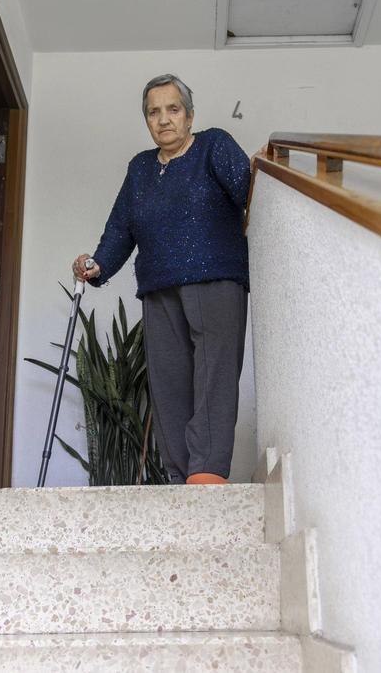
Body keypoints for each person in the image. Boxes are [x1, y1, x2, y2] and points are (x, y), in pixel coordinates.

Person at [71, 73, 251, 486]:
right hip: (158, 286)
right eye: (153, 112)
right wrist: (98, 265)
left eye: (173, 109)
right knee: (169, 383)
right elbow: (121, 228)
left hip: (216, 277)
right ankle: (179, 474)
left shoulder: (214, 146)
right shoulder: (140, 168)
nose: (164, 119)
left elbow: (250, 191)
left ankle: (207, 472)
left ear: (189, 115)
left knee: (215, 373)